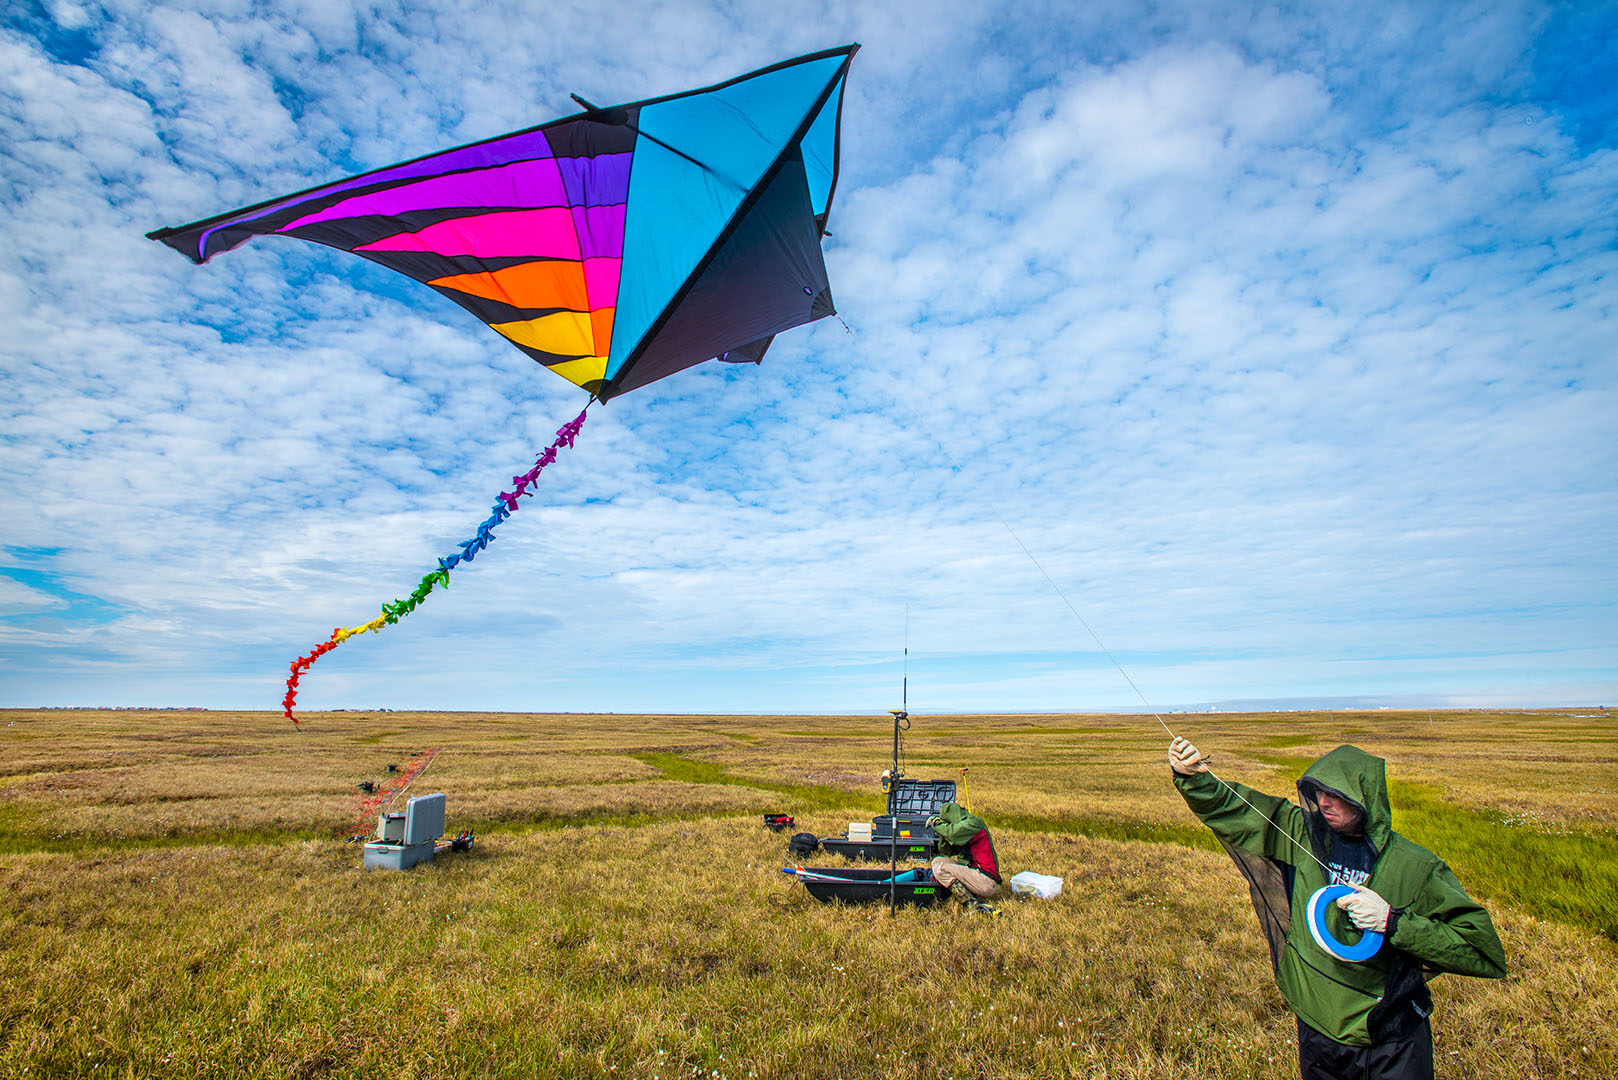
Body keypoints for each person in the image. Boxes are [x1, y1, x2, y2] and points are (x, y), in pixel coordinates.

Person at [1169, 737, 1505, 1080]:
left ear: (1365, 799)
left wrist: (1394, 921)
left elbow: (1482, 952)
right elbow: (1238, 809)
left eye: (1338, 796)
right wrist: (1192, 777)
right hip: (1316, 1029)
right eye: (1319, 793)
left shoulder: (1416, 868)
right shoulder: (1301, 833)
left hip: (1388, 1041)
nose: (1325, 803)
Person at [927, 800, 1002, 913]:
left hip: (985, 880)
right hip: (973, 872)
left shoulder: (973, 823)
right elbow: (946, 851)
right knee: (938, 860)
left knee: (940, 869)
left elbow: (952, 833)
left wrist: (937, 824)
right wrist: (942, 835)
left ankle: (971, 904)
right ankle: (962, 892)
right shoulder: (961, 830)